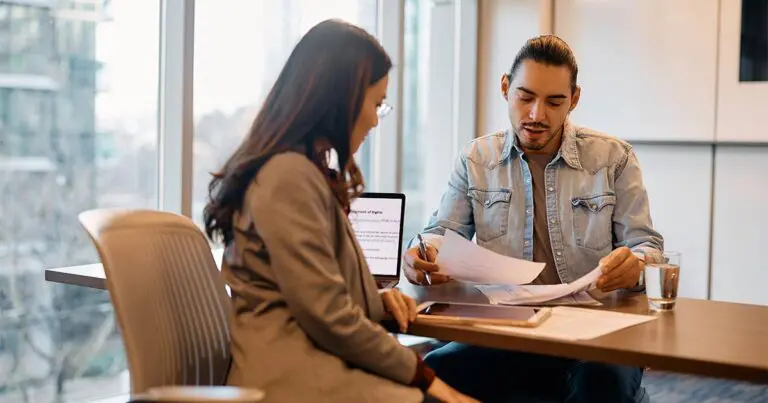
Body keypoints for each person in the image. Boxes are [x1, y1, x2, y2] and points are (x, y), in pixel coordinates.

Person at [203, 19, 477, 403]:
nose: (374, 119)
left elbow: (309, 292)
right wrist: (424, 376)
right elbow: (328, 315)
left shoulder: (299, 171)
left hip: (315, 366)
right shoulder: (288, 177)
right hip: (295, 379)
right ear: (342, 99)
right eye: (376, 103)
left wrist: (375, 299)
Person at [404, 35, 663, 402]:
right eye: (525, 97)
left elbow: (648, 247)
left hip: (596, 336)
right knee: (436, 373)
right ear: (505, 88)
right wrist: (422, 256)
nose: (537, 115)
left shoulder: (613, 158)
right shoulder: (476, 159)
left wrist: (635, 265)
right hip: (509, 333)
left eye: (554, 101)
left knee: (599, 386)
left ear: (574, 99)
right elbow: (439, 235)